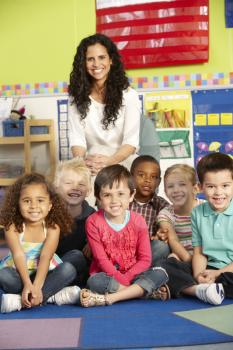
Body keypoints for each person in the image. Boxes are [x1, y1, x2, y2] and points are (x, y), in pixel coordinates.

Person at [79, 164, 170, 307]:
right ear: (98, 198)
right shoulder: (93, 222)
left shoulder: (138, 220)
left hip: (135, 274)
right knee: (94, 282)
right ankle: (141, 292)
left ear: (131, 195)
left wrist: (126, 277)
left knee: (161, 273)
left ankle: (111, 298)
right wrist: (121, 279)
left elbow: (145, 259)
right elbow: (101, 260)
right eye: (107, 195)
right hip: (107, 275)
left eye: (120, 194)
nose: (114, 201)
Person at [0, 173, 81, 313]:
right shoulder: (12, 227)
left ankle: (20, 300)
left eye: (40, 200)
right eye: (26, 201)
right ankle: (53, 295)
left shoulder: (52, 228)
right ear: (18, 204)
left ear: (50, 205)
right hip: (20, 273)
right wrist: (27, 284)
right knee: (3, 275)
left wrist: (36, 286)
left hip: (44, 272)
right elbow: (18, 255)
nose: (33, 206)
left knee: (68, 269)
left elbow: (45, 256)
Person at [160, 153, 233, 305]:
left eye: (225, 186)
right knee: (166, 266)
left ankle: (200, 288)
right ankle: (200, 289)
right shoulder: (198, 213)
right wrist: (199, 274)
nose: (218, 192)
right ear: (200, 187)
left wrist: (218, 273)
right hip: (209, 268)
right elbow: (199, 252)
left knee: (227, 278)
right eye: (211, 186)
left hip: (229, 271)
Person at [68, 33, 141, 176]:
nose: (96, 64)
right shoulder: (76, 97)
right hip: (91, 163)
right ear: (83, 63)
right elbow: (77, 140)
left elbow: (131, 143)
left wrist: (108, 162)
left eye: (102, 57)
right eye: (90, 59)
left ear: (111, 60)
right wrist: (83, 164)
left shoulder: (129, 96)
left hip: (123, 160)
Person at [54, 158, 95, 285]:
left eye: (81, 184)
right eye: (68, 183)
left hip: (78, 272)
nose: (75, 188)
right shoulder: (48, 214)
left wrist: (93, 241)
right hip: (50, 266)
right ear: (56, 187)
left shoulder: (93, 217)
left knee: (77, 256)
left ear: (88, 191)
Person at [156, 164, 202, 262]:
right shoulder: (166, 214)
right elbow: (173, 240)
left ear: (195, 188)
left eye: (182, 184)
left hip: (205, 254)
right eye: (170, 186)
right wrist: (190, 261)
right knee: (172, 258)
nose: (176, 190)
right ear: (165, 191)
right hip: (183, 256)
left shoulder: (205, 208)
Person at [129, 155, 170, 265]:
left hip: (148, 253)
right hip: (123, 250)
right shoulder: (122, 201)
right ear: (131, 177)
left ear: (159, 182)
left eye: (153, 177)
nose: (147, 180)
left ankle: (138, 272)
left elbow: (166, 231)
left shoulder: (162, 206)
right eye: (141, 175)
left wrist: (162, 234)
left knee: (162, 247)